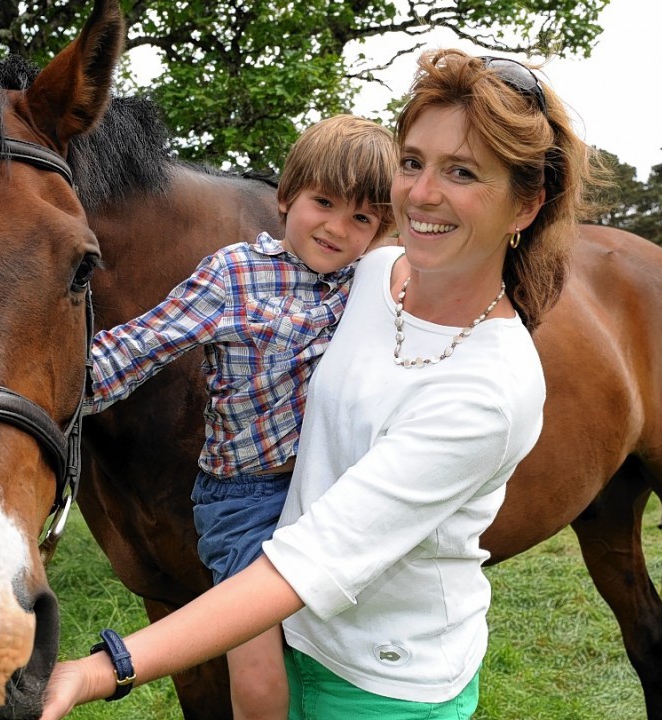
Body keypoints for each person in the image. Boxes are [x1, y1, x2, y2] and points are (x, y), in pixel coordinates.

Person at [41, 49, 602, 719]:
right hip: (287, 588)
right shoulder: (367, 276)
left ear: (526, 205)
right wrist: (28, 394)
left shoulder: (489, 389)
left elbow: (312, 562)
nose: (423, 193)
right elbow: (144, 343)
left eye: (462, 172)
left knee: (255, 684)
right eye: (414, 162)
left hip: (381, 681)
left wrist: (104, 669)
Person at [85, 114, 397, 720]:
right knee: (254, 669)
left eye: (361, 218)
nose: (336, 228)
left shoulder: (370, 283)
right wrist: (50, 387)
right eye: (323, 203)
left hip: (331, 488)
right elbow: (142, 343)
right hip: (246, 496)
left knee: (337, 646)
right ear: (285, 198)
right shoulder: (235, 274)